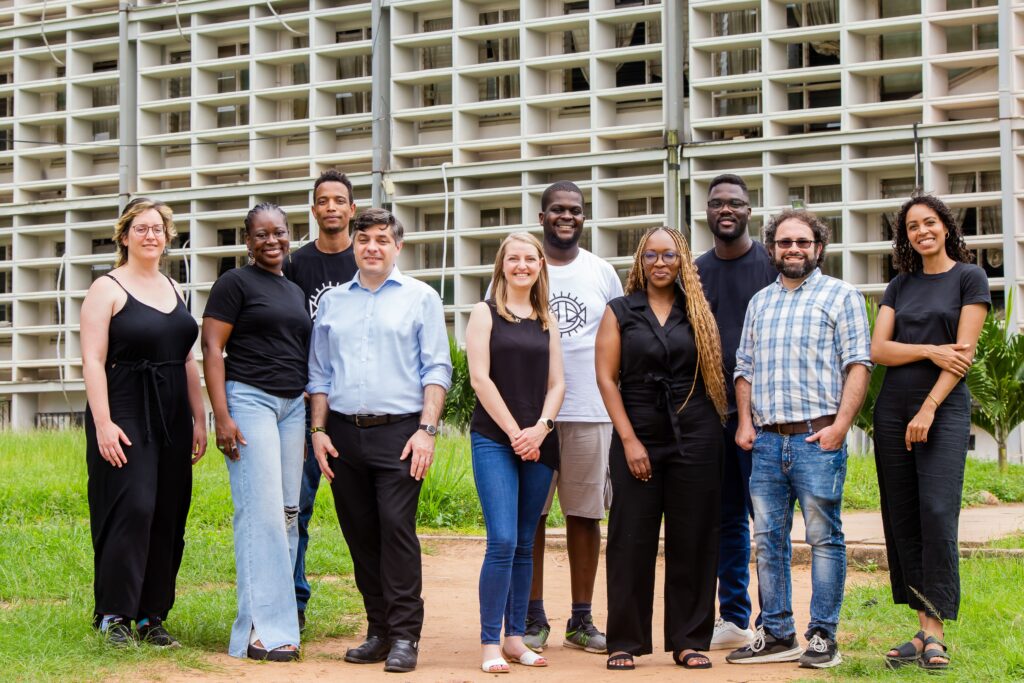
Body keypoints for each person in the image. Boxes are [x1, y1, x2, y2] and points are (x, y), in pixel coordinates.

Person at [308, 208, 452, 674]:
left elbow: (437, 369)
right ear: (354, 245)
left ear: (398, 247)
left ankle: (406, 635)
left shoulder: (421, 297)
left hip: (401, 434)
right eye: (364, 238)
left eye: (382, 239)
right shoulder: (332, 302)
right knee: (360, 533)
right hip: (343, 435)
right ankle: (379, 630)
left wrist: (427, 431)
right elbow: (319, 374)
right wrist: (318, 431)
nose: (372, 247)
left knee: (396, 528)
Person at [728, 209, 871, 669]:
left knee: (824, 538)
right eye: (785, 242)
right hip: (767, 442)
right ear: (772, 249)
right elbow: (744, 367)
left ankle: (823, 635)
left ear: (818, 248)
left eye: (803, 242)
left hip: (817, 439)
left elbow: (858, 364)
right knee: (768, 539)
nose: (793, 249)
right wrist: (745, 424)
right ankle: (777, 632)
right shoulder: (760, 302)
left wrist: (840, 427)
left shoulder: (842, 295)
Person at [596, 226, 729, 671]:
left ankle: (689, 640)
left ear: (682, 260)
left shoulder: (698, 311)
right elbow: (605, 378)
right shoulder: (620, 310)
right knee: (630, 538)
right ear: (640, 261)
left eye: (668, 255)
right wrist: (629, 440)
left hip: (696, 432)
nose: (659, 263)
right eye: (651, 255)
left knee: (694, 537)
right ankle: (625, 640)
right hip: (638, 431)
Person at [870, 194, 989, 672]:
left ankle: (936, 631)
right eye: (912, 226)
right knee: (903, 516)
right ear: (906, 236)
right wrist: (929, 350)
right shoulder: (900, 284)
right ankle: (923, 629)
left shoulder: (969, 278)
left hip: (942, 407)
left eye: (929, 222)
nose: (922, 231)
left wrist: (929, 406)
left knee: (937, 511)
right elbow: (879, 349)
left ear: (946, 227)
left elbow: (963, 356)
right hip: (892, 409)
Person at [81, 198, 206, 647]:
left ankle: (152, 616)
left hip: (173, 412)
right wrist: (103, 423)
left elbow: (186, 359)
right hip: (125, 407)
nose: (150, 235)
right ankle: (114, 614)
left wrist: (200, 418)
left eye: (158, 229)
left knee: (169, 511)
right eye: (141, 228)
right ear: (124, 236)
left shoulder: (174, 286)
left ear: (167, 237)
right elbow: (92, 360)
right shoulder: (106, 288)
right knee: (132, 507)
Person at [202, 203, 312, 662]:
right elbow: (212, 347)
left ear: (289, 235)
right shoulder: (234, 283)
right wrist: (221, 415)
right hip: (250, 401)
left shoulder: (294, 289)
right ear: (248, 242)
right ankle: (261, 630)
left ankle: (272, 623)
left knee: (287, 514)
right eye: (262, 235)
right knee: (261, 515)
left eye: (279, 232)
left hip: (292, 408)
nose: (272, 241)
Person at [524, 181, 623, 655]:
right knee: (532, 516)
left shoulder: (601, 272)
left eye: (576, 210)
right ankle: (532, 616)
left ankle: (581, 619)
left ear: (584, 217)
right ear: (542, 217)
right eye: (557, 210)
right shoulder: (523, 267)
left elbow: (621, 338)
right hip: (533, 416)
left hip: (591, 409)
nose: (567, 216)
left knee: (585, 515)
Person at [467, 232, 565, 674]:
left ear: (540, 265)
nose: (522, 265)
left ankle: (514, 637)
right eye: (514, 259)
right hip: (495, 438)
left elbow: (558, 384)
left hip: (540, 443)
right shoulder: (484, 313)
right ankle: (490, 642)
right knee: (503, 540)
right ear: (502, 265)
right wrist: (515, 433)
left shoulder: (548, 319)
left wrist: (541, 429)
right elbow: (479, 379)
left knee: (525, 542)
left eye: (530, 258)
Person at [694, 174, 776, 651]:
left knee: (766, 521)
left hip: (764, 418)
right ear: (707, 211)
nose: (726, 209)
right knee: (725, 520)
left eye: (735, 203)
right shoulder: (695, 271)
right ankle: (734, 618)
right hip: (711, 416)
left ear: (749, 211)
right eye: (717, 203)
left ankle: (773, 620)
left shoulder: (771, 264)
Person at [283, 169, 358, 631]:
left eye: (339, 200)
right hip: (305, 403)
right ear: (314, 210)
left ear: (352, 208)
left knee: (365, 514)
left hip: (356, 406)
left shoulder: (367, 257)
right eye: (323, 201)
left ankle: (382, 609)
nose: (331, 207)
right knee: (296, 508)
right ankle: (294, 602)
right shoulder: (295, 265)